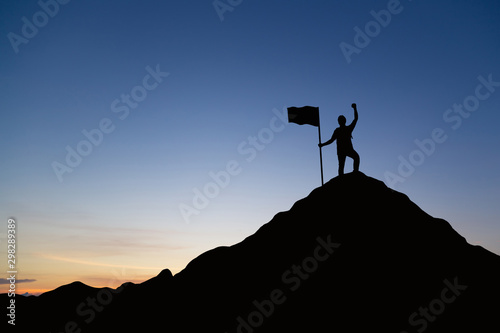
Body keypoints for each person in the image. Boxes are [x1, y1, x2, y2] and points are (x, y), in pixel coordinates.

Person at [319, 103, 360, 175]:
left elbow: (356, 119)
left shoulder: (347, 129)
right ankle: (347, 176)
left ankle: (355, 172)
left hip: (346, 149)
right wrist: (322, 145)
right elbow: (331, 140)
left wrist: (355, 109)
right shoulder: (339, 130)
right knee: (342, 165)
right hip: (342, 150)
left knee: (355, 158)